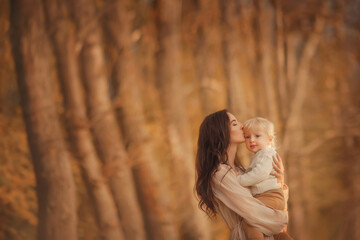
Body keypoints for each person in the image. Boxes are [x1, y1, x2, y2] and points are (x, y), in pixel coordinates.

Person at [195, 110, 293, 240]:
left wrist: (280, 181)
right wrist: (282, 217)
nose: (242, 126)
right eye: (235, 124)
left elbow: (273, 202)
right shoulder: (220, 174)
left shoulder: (242, 171)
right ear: (221, 133)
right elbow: (252, 211)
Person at [237, 117, 287, 240]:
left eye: (257, 136)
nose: (251, 140)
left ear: (269, 139)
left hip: (271, 196)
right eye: (247, 137)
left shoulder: (267, 154)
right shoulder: (259, 155)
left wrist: (239, 180)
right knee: (273, 231)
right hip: (266, 197)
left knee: (250, 220)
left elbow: (259, 174)